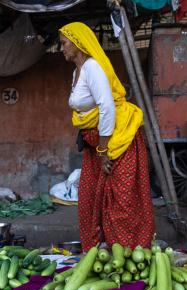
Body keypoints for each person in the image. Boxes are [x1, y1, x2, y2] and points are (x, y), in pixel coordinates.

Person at [59, 22, 155, 253]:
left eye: (63, 43)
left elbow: (107, 108)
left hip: (116, 142)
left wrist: (104, 152)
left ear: (78, 42)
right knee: (90, 197)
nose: (60, 48)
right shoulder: (77, 71)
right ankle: (96, 249)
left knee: (121, 200)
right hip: (96, 145)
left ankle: (130, 251)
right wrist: (98, 149)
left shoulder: (93, 68)